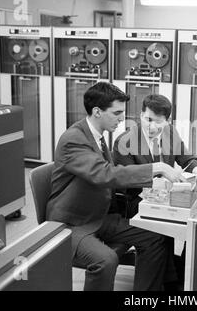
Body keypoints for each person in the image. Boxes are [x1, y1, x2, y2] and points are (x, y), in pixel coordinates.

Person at [46, 82, 185, 291]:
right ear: (97, 112)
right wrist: (157, 167)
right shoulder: (74, 139)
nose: (122, 119)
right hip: (72, 223)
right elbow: (105, 174)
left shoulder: (98, 137)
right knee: (106, 259)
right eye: (117, 113)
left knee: (154, 236)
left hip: (100, 217)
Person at [113, 94, 197, 218]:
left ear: (168, 121)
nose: (152, 127)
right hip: (139, 203)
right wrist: (161, 186)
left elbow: (187, 159)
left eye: (159, 122)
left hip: (169, 200)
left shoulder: (170, 132)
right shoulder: (124, 142)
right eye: (148, 119)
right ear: (141, 115)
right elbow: (127, 182)